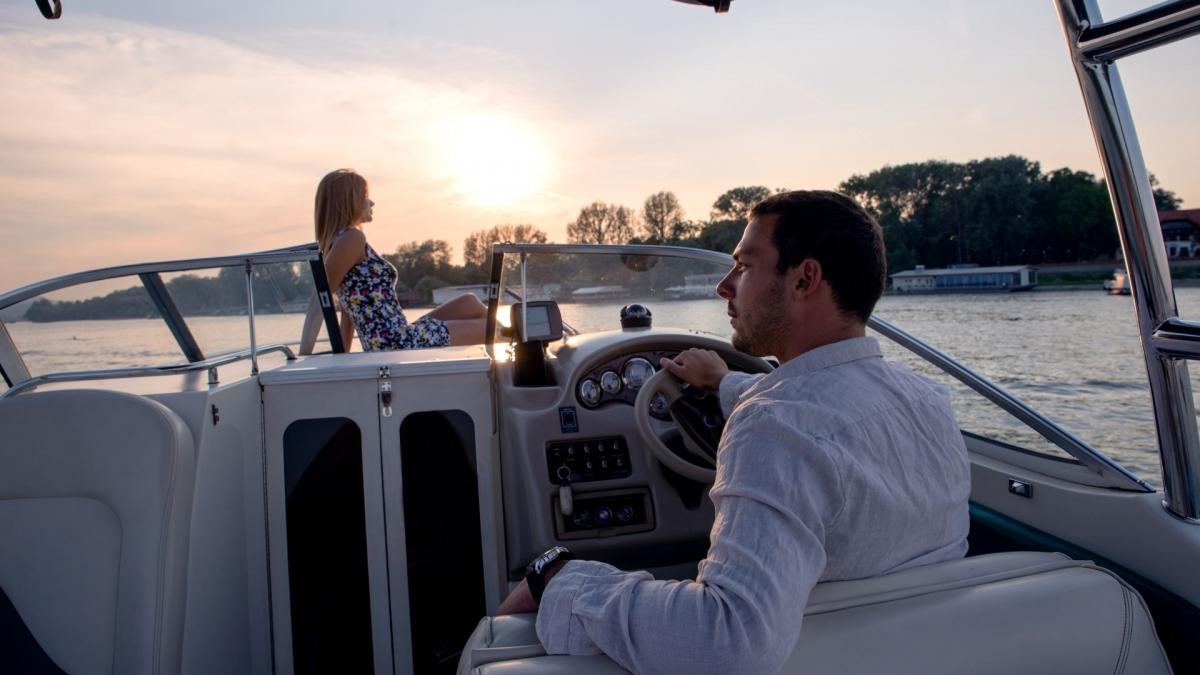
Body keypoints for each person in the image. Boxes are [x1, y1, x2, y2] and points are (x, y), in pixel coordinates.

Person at [496, 190, 971, 674]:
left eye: (743, 266)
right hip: (915, 650)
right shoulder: (927, 400)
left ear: (805, 279)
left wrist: (566, 581)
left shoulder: (773, 426)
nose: (724, 286)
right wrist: (723, 381)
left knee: (537, 584)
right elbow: (819, 403)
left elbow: (725, 643)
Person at [314, 169, 486, 351]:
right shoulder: (352, 238)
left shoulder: (341, 243)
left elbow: (348, 313)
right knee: (494, 330)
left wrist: (342, 358)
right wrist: (303, 354)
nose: (371, 202)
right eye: (365, 196)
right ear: (347, 202)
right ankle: (511, 371)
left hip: (399, 337)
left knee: (470, 302)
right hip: (397, 343)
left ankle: (512, 365)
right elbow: (318, 298)